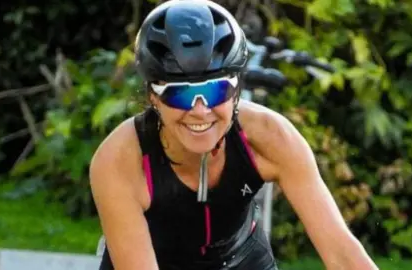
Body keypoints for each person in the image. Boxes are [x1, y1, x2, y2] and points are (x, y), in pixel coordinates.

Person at [89, 0, 379, 269]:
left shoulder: (270, 137)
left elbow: (343, 255)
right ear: (153, 96)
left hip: (242, 261)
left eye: (216, 90)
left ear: (236, 90)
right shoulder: (119, 161)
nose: (200, 111)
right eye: (179, 93)